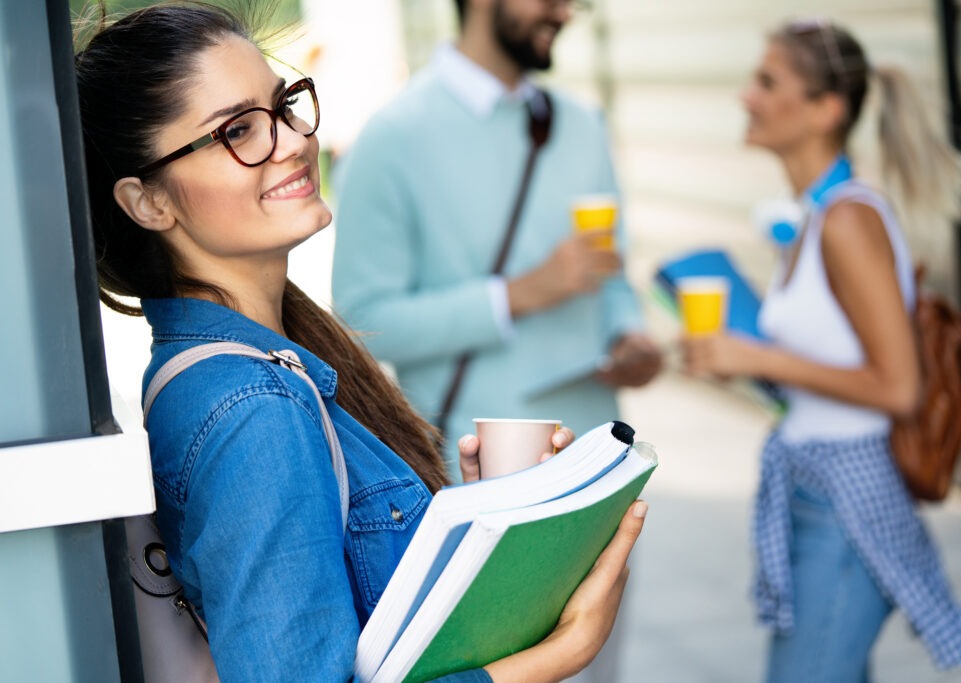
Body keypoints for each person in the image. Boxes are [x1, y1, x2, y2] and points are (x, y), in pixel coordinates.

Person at [74, 3, 646, 681]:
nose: (289, 140)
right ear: (148, 203)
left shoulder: (258, 365)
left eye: (283, 107)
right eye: (237, 130)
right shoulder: (255, 406)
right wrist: (562, 652)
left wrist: (482, 529)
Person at [682, 18, 961, 682]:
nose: (747, 96)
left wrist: (758, 358)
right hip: (811, 488)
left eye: (768, 81)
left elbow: (897, 387)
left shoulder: (849, 220)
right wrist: (732, 359)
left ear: (826, 110)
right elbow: (825, 366)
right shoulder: (816, 218)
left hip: (847, 507)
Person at [330, 0, 662, 478]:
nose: (564, 14)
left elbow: (612, 278)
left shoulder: (583, 126)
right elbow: (365, 321)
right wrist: (517, 295)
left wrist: (631, 336)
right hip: (479, 475)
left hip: (599, 460)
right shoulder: (391, 137)